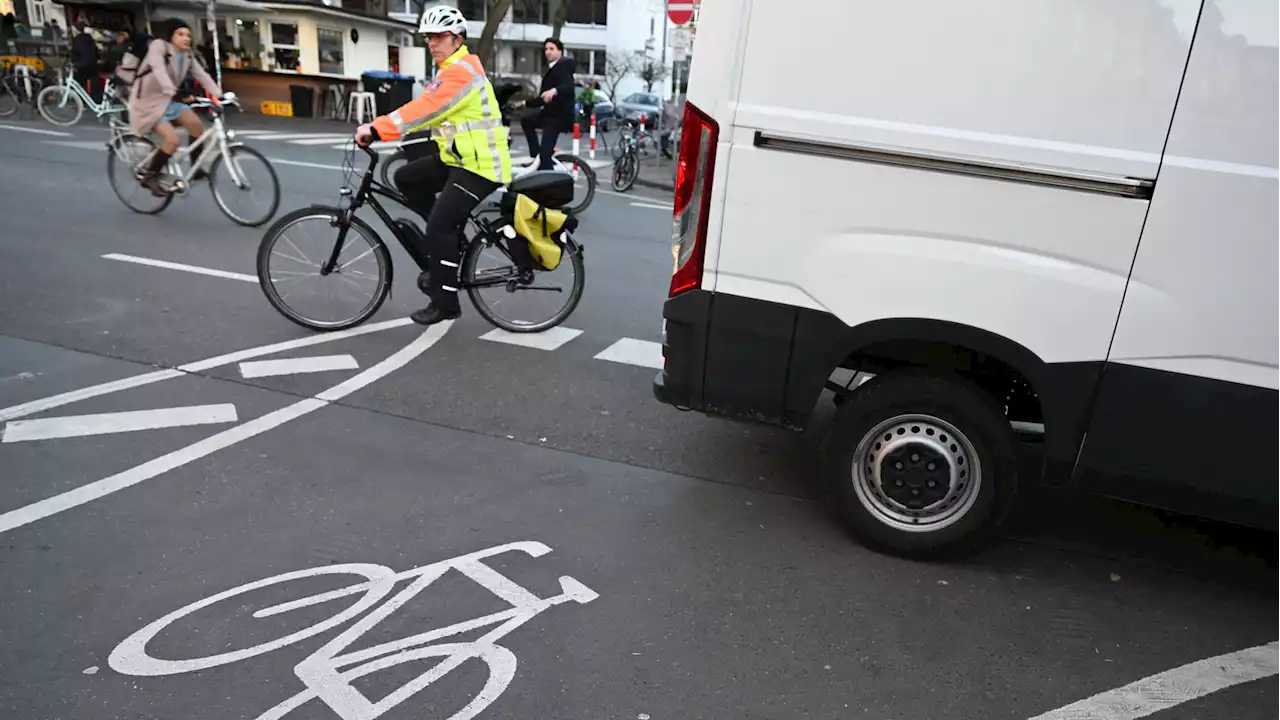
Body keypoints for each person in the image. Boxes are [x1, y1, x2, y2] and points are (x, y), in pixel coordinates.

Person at [355, 5, 512, 327]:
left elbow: (426, 109)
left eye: (439, 37)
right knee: (406, 178)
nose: (432, 43)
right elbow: (438, 117)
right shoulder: (451, 69)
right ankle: (449, 241)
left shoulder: (461, 72)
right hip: (458, 159)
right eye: (428, 37)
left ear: (457, 39)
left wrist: (376, 128)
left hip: (481, 166)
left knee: (439, 226)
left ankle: (445, 301)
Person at [126, 18, 230, 196]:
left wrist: (220, 95)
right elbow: (158, 69)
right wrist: (171, 90)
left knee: (196, 126)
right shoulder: (159, 46)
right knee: (172, 140)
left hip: (169, 100)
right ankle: (150, 176)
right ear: (171, 36)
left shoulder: (187, 54)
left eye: (188, 35)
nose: (186, 38)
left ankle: (195, 168)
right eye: (181, 34)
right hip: (148, 103)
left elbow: (202, 75)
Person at [518, 37, 576, 170]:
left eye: (552, 49)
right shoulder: (552, 69)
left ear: (560, 51)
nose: (548, 52)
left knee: (545, 157)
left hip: (558, 118)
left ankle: (550, 180)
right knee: (526, 121)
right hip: (549, 114)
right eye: (546, 49)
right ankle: (535, 158)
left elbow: (568, 86)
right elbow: (544, 98)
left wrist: (554, 90)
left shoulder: (562, 67)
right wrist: (524, 104)